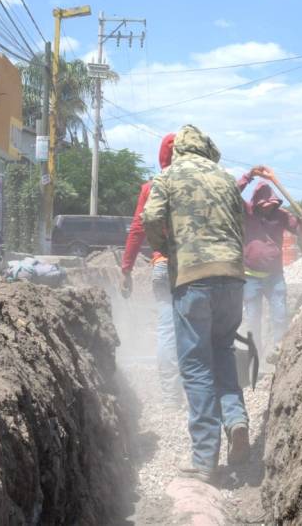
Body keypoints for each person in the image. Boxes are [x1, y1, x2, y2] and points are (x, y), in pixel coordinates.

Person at [142, 125, 250, 483]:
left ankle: (205, 457)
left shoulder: (169, 176)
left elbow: (151, 218)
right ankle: (235, 419)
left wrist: (165, 248)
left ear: (178, 150)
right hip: (232, 277)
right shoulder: (225, 177)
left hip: (193, 279)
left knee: (197, 366)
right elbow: (241, 222)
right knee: (223, 351)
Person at [120, 133, 182, 406]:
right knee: (199, 327)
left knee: (168, 328)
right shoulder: (197, 186)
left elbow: (137, 229)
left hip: (163, 264)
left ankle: (170, 396)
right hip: (196, 267)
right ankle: (202, 394)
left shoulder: (151, 188)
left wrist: (126, 269)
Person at [236, 166, 302, 357]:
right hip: (250, 277)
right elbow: (230, 193)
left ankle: (279, 351)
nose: (267, 207)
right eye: (264, 204)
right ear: (256, 203)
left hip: (275, 277)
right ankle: (255, 354)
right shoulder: (247, 213)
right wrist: (248, 176)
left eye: (270, 204)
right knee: (253, 319)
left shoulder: (281, 215)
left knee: (280, 315)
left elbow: (300, 232)